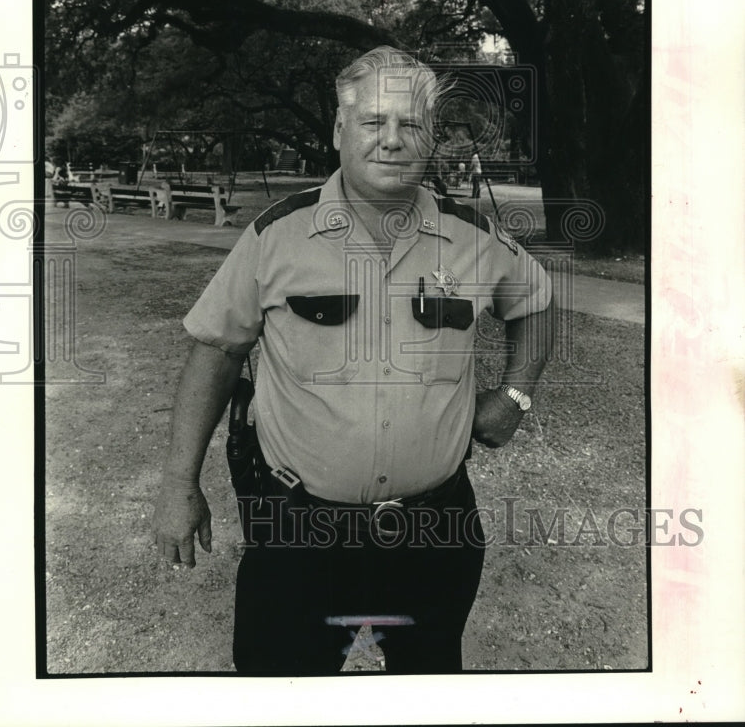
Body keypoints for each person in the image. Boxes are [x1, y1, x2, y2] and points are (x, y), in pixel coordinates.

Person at [152, 46, 553, 675]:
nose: (392, 140)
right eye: (373, 122)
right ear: (340, 130)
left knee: (426, 691)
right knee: (281, 692)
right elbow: (217, 350)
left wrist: (515, 396)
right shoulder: (276, 235)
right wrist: (180, 483)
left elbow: (536, 303)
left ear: (432, 138)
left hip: (436, 531)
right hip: (297, 535)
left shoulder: (474, 235)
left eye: (411, 124)